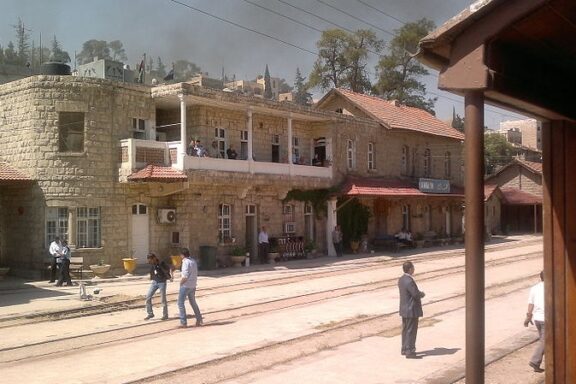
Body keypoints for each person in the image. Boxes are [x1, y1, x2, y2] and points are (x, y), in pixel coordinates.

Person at [398, 261, 425, 358]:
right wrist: (421, 294)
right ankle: (410, 351)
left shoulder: (401, 279)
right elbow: (415, 294)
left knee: (405, 330)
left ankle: (404, 349)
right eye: (413, 268)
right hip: (411, 309)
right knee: (411, 330)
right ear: (409, 269)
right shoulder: (409, 281)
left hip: (404, 309)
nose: (414, 269)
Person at [524, 271, 545, 373]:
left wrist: (528, 317)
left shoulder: (534, 288)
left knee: (544, 340)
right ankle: (535, 361)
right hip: (547, 319)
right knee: (545, 341)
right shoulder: (552, 287)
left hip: (537, 319)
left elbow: (530, 303)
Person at [177, 248, 203, 328]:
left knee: (180, 303)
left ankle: (183, 322)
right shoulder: (193, 261)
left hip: (186, 285)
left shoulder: (185, 262)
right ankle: (199, 319)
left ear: (182, 255)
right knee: (193, 302)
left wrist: (180, 283)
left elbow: (185, 276)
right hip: (193, 285)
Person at [145, 253, 172, 321]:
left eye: (150, 260)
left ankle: (165, 315)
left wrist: (170, 277)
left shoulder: (161, 263)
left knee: (163, 299)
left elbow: (168, 269)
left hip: (162, 282)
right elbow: (152, 271)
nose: (150, 262)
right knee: (148, 297)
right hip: (155, 282)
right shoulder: (152, 264)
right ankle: (150, 314)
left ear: (154, 258)